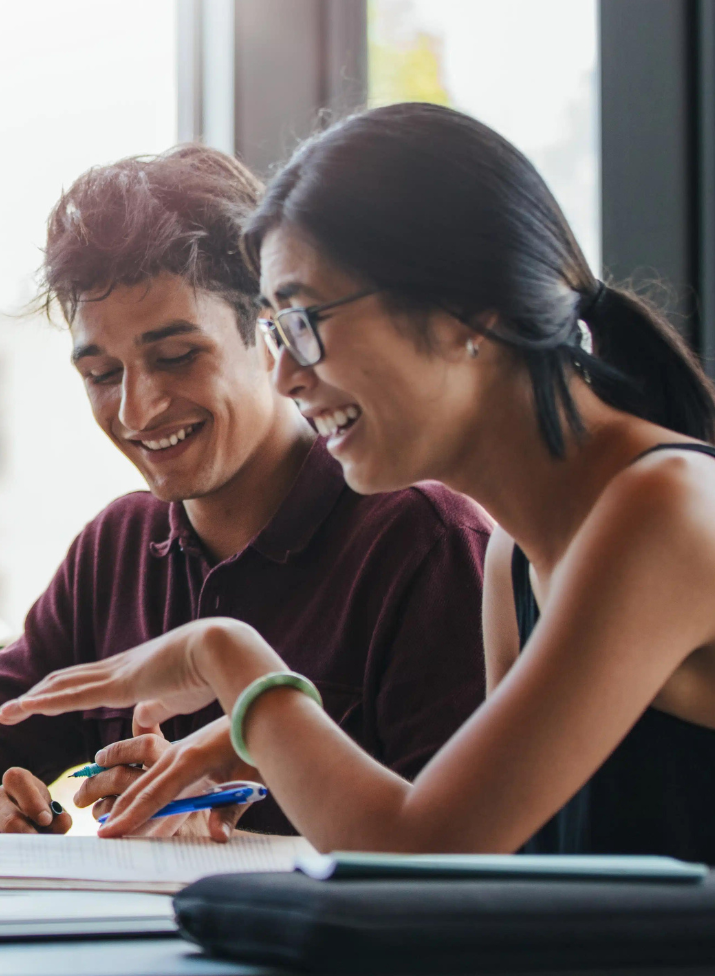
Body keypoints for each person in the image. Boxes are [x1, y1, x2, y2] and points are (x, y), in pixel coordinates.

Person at [7, 102, 715, 865]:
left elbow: (427, 855)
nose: (285, 374)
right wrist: (261, 756)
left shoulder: (663, 507)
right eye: (279, 330)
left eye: (306, 322)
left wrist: (229, 661)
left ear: (464, 312)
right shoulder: (517, 556)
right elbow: (500, 880)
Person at [0, 139, 491, 839]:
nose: (136, 412)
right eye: (102, 375)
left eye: (175, 357)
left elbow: (459, 856)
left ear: (271, 335)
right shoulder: (118, 550)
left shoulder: (424, 544)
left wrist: (243, 790)